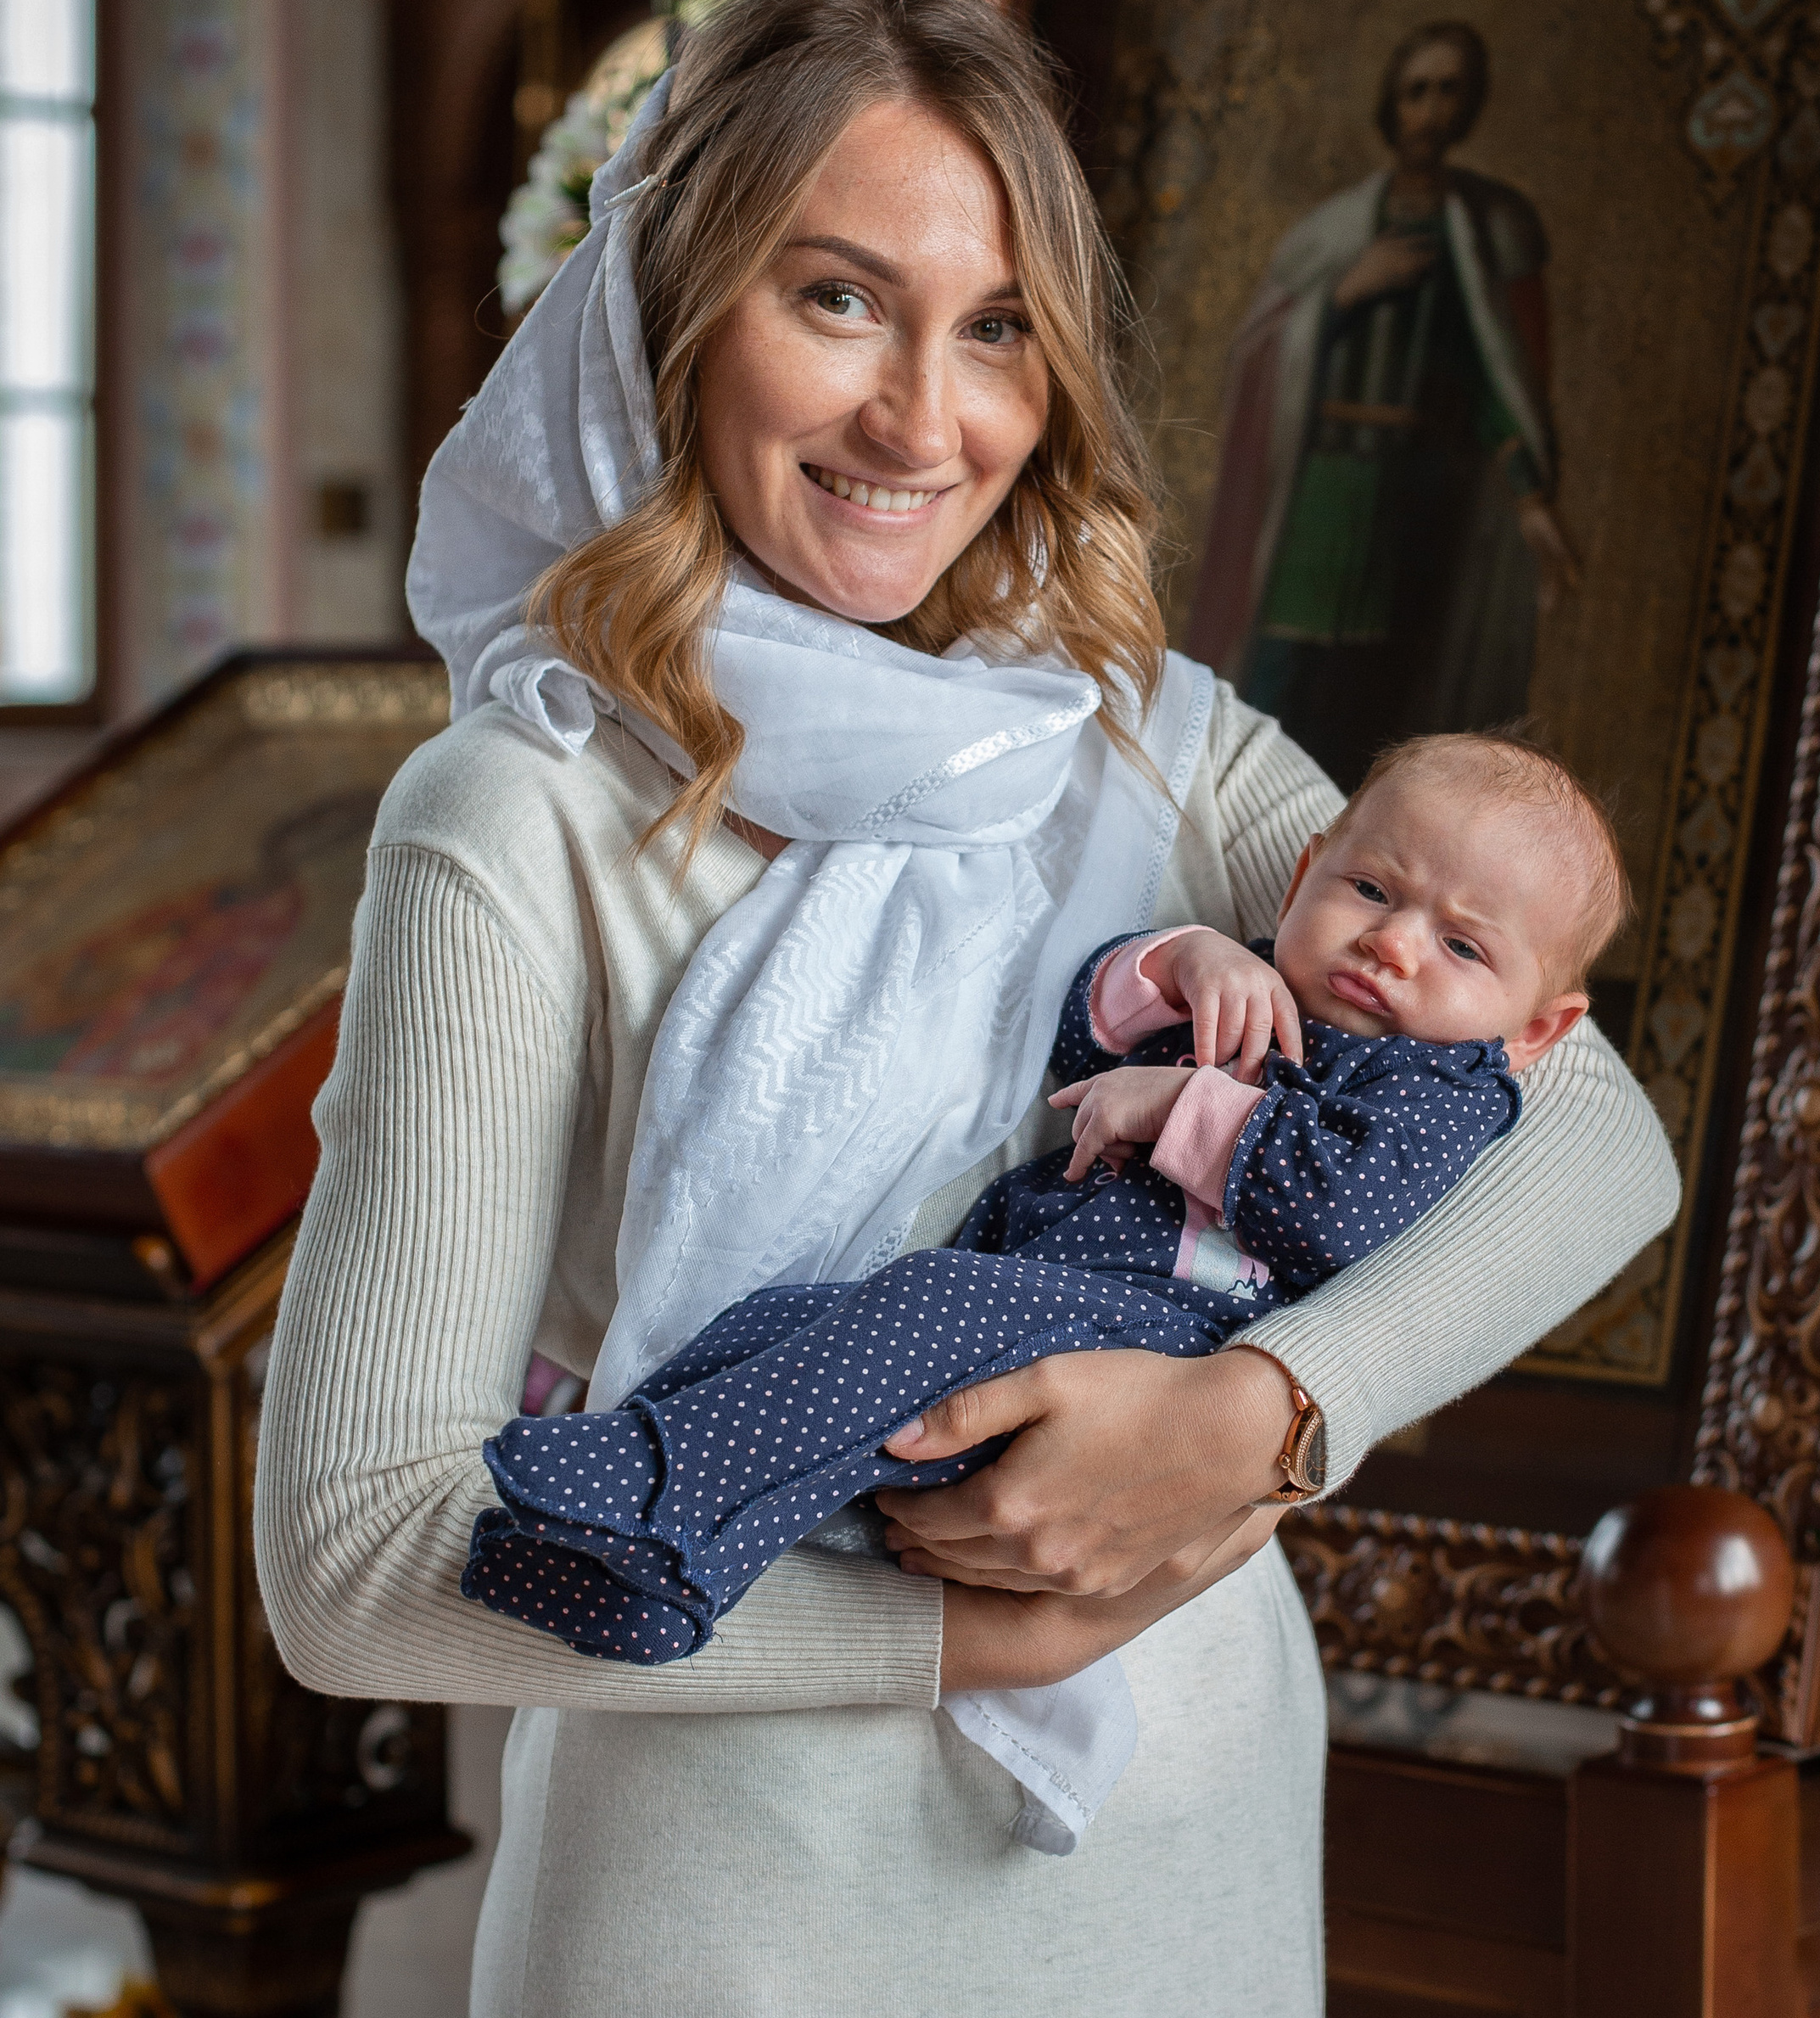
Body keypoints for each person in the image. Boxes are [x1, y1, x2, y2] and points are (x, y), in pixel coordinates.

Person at [254, 0, 1678, 2018]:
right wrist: (961, 1623)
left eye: (997, 324)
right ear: (678, 309)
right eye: (838, 298)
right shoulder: (519, 815)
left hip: (1166, 1897)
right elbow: (349, 1555)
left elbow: (1587, 1131)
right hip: (743, 1951)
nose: (928, 416)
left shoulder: (1139, 730)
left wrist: (1255, 1416)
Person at [462, 731, 1626, 1857]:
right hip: (1040, 1291)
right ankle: (646, 1568)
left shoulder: (1441, 1090)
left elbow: (1336, 1203)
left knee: (920, 1308)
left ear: (1539, 1029)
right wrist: (1177, 961)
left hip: (1164, 1342)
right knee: (777, 1330)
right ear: (1309, 860)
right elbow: (1083, 1039)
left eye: (1465, 949)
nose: (1396, 945)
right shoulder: (1259, 987)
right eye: (1371, 887)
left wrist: (1182, 1106)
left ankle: (659, 1497)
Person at [1187, 19, 1583, 793]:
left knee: (1380, 705)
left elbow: (1494, 376)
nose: (1430, 112)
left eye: (1448, 93)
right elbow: (1256, 355)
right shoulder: (1330, 234)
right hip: (1321, 496)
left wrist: (1532, 498)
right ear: (1390, 104)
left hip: (1414, 508)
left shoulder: (1474, 231)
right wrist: (1345, 293)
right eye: (1416, 92)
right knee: (1287, 682)